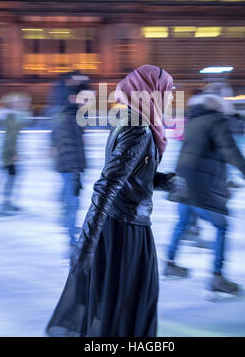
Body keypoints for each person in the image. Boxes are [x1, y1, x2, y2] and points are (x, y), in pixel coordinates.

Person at [46, 65, 174, 337]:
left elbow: (133, 174)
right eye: (167, 90)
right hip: (126, 231)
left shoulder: (135, 123)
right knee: (132, 306)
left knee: (125, 306)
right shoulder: (137, 128)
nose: (171, 97)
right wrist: (86, 243)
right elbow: (107, 185)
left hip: (124, 223)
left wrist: (162, 180)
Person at [164, 89, 245, 294]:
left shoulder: (193, 120)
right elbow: (231, 152)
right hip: (199, 186)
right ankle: (217, 277)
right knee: (221, 226)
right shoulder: (217, 121)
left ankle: (170, 263)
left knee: (183, 222)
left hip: (183, 182)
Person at [51, 72, 87, 252]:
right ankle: (72, 242)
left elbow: (77, 144)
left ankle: (70, 227)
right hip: (69, 167)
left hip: (72, 167)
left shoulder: (74, 116)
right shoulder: (67, 118)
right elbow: (66, 146)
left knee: (71, 199)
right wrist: (75, 170)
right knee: (73, 202)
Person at [0, 93, 31, 213]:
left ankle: (7, 203)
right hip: (8, 154)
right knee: (10, 179)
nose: (27, 105)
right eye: (24, 103)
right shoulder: (13, 117)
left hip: (9, 152)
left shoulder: (15, 117)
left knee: (10, 178)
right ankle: (6, 204)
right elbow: (10, 138)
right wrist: (13, 153)